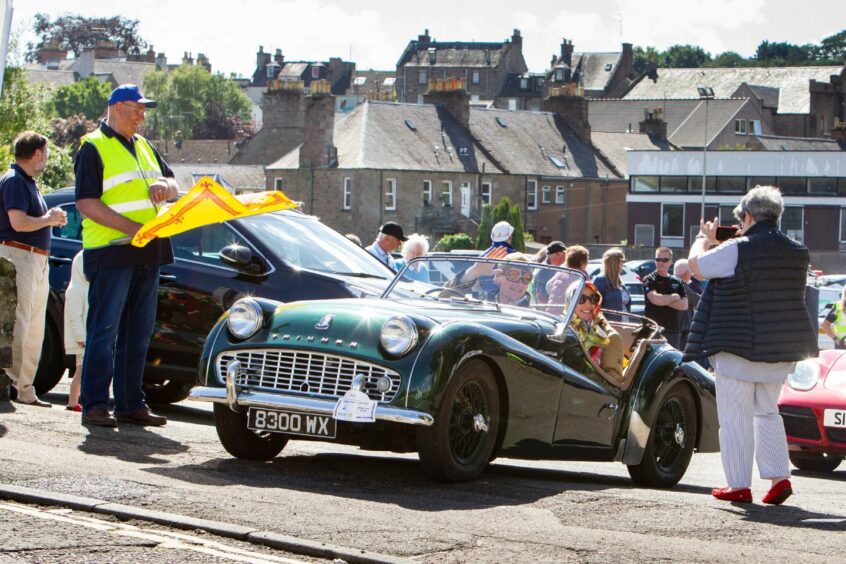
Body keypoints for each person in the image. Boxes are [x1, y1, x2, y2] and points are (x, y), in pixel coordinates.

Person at [686, 185, 817, 505]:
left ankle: (738, 484)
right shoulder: (798, 251)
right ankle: (778, 478)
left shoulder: (739, 248)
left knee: (734, 419)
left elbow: (697, 266)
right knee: (768, 413)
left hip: (736, 349)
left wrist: (704, 239)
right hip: (777, 351)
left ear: (747, 215)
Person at [75, 84, 178, 428]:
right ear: (117, 107)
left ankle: (131, 403)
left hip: (148, 251)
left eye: (144, 109)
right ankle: (94, 405)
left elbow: (175, 185)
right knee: (104, 330)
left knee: (139, 332)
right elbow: (86, 204)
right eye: (137, 108)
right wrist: (131, 229)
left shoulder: (145, 145)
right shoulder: (93, 146)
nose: (142, 115)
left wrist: (166, 186)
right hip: (111, 252)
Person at [0, 131, 68, 407]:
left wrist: (49, 220)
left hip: (35, 259)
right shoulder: (15, 180)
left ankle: (25, 388)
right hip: (20, 256)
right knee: (20, 325)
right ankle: (12, 385)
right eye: (46, 154)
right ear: (37, 154)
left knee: (34, 328)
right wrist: (48, 219)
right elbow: (18, 223)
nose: (47, 160)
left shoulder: (27, 182)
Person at [565, 280, 624, 385]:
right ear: (570, 301)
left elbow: (613, 381)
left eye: (593, 299)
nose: (589, 305)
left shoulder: (609, 337)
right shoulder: (560, 327)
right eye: (581, 299)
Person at [643, 247, 687, 349]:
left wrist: (662, 300)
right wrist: (674, 297)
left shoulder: (677, 281)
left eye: (665, 260)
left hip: (673, 331)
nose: (661, 262)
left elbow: (684, 305)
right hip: (653, 329)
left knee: (672, 362)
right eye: (658, 259)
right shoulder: (649, 279)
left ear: (670, 262)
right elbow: (655, 299)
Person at [63, 251, 88, 412]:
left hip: (88, 336)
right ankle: (73, 401)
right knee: (81, 369)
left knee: (83, 368)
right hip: (83, 338)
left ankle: (76, 401)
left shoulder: (87, 289)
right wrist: (81, 336)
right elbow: (74, 317)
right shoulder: (75, 290)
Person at [593, 247, 631, 321]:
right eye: (622, 261)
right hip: (610, 327)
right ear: (614, 263)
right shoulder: (601, 281)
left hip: (624, 325)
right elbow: (596, 308)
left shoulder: (619, 281)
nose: (623, 265)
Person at [672, 258, 702, 349]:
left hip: (675, 328)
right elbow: (698, 301)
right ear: (686, 273)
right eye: (691, 272)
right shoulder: (681, 285)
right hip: (680, 330)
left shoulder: (671, 282)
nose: (691, 275)